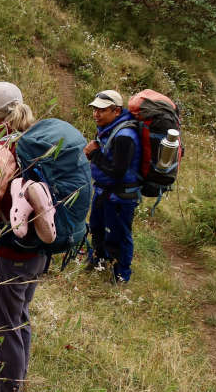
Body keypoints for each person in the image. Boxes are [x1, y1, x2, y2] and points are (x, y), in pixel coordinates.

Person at [0, 81, 54, 392]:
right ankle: (12, 370)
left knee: (4, 323)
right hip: (36, 248)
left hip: (11, 252)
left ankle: (5, 386)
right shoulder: (33, 138)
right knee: (19, 314)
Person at [83, 89, 141, 284]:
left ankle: (121, 275)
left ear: (116, 111)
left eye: (102, 110)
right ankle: (98, 261)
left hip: (120, 197)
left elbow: (117, 172)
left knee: (120, 235)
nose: (96, 114)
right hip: (104, 192)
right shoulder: (109, 129)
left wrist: (93, 154)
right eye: (94, 109)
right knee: (98, 229)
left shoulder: (125, 135)